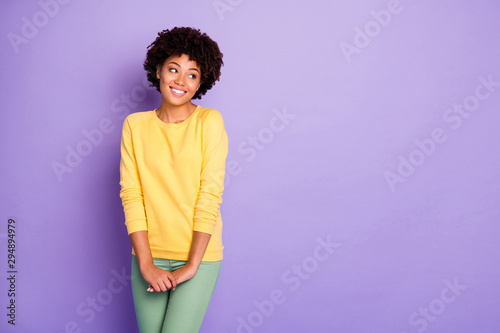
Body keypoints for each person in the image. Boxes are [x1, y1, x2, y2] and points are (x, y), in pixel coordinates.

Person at [119, 26, 228, 333]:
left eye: (192, 75)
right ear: (158, 70)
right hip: (147, 256)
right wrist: (145, 263)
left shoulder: (209, 122)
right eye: (174, 69)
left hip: (199, 257)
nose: (181, 81)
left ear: (200, 82)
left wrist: (193, 265)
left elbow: (210, 195)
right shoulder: (135, 126)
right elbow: (132, 194)